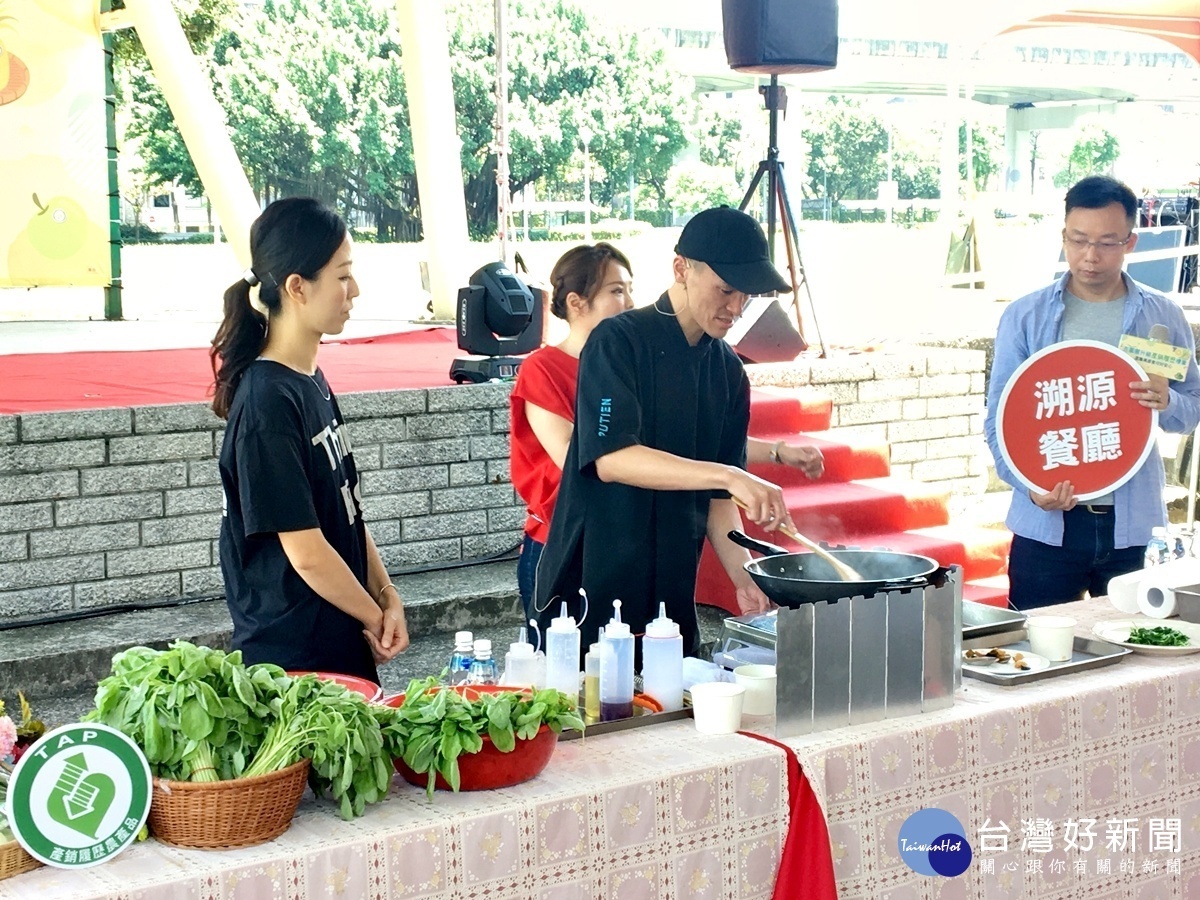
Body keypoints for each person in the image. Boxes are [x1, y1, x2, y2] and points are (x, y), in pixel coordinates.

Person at [531, 206, 801, 658]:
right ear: (682, 269)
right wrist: (730, 475)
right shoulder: (617, 341)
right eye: (726, 289)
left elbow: (719, 504)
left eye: (747, 296)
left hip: (672, 589)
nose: (736, 308)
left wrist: (744, 576)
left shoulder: (728, 371)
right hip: (590, 582)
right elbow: (611, 458)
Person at [211, 197, 408, 683]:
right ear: (297, 287)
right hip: (293, 660)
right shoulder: (266, 403)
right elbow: (306, 552)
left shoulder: (309, 380)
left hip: (338, 640)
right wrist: (374, 616)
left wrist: (386, 593)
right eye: (342, 276)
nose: (354, 290)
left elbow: (345, 512)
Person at [984, 175, 1200, 609]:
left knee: (1139, 647)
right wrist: (1030, 487)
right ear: (1063, 236)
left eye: (1107, 242)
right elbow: (999, 421)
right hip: (1046, 524)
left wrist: (1168, 401)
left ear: (1131, 242)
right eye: (1078, 239)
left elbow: (1191, 409)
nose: (1090, 256)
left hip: (1133, 526)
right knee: (1040, 653)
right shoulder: (1025, 317)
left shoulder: (1163, 316)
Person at [509, 243, 635, 620]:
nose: (629, 301)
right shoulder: (541, 369)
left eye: (630, 289)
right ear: (577, 303)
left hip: (622, 542)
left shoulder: (629, 366)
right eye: (616, 291)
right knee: (558, 671)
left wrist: (773, 450)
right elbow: (571, 456)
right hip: (563, 543)